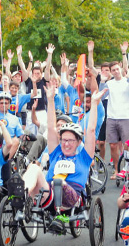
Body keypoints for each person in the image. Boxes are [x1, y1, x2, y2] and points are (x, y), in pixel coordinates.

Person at [21, 84, 104, 231]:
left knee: (59, 181)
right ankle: (23, 197)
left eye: (70, 140)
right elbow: (52, 128)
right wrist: (50, 99)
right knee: (34, 167)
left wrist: (95, 104)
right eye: (63, 140)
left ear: (78, 142)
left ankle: (59, 217)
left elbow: (91, 130)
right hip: (49, 195)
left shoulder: (84, 157)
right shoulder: (56, 153)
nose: (65, 144)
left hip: (72, 198)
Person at [104, 44, 129, 179]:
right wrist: (102, 82)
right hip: (111, 118)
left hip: (125, 118)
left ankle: (128, 170)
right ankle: (116, 170)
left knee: (128, 146)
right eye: (113, 70)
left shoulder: (127, 81)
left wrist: (124, 53)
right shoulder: (109, 83)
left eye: (117, 69)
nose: (116, 71)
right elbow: (101, 96)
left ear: (120, 68)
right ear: (110, 72)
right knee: (113, 146)